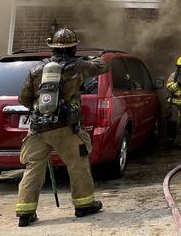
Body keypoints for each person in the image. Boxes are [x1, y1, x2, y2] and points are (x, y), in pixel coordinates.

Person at [15, 27, 108, 227]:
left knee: (33, 168)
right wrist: (91, 57)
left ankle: (25, 212)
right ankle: (84, 205)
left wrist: (40, 108)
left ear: (53, 48)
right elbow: (103, 66)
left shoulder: (37, 69)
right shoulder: (78, 66)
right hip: (65, 127)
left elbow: (23, 98)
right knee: (78, 164)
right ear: (74, 47)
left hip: (38, 127)